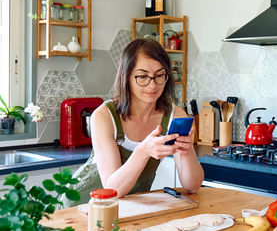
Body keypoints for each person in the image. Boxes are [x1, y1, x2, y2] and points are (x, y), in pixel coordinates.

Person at [62, 39, 204, 207]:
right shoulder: (104, 116)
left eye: (159, 75)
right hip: (83, 205)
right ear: (126, 76)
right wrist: (143, 151)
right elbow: (112, 189)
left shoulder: (175, 115)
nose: (152, 84)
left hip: (129, 207)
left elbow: (192, 186)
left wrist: (186, 150)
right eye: (143, 76)